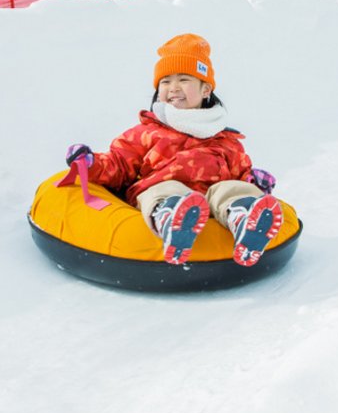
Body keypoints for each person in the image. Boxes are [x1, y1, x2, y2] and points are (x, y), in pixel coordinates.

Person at [64, 34, 283, 267]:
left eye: (184, 79)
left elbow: (241, 173)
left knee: (230, 189)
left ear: (206, 89)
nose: (173, 88)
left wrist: (253, 182)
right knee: (165, 189)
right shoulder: (146, 133)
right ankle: (171, 218)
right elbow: (119, 163)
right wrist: (91, 163)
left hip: (211, 204)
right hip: (161, 192)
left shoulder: (225, 140)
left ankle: (246, 219)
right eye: (165, 81)